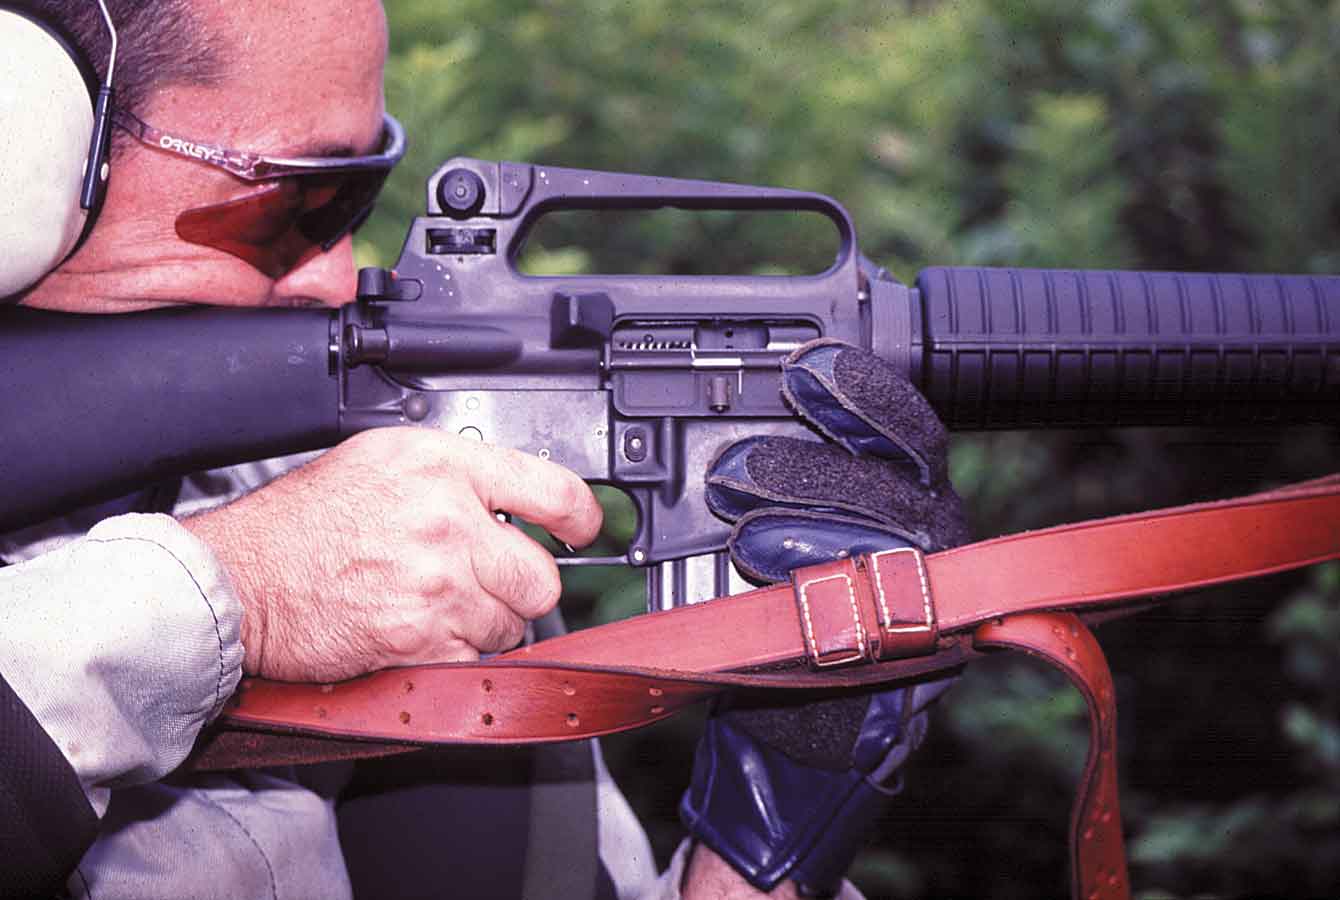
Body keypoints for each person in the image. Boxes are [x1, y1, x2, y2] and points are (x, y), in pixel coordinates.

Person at [1, 2, 959, 897]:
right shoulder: (327, 541)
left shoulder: (385, 535)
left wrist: (763, 852)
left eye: (358, 191)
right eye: (294, 203)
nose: (342, 274)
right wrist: (235, 595)